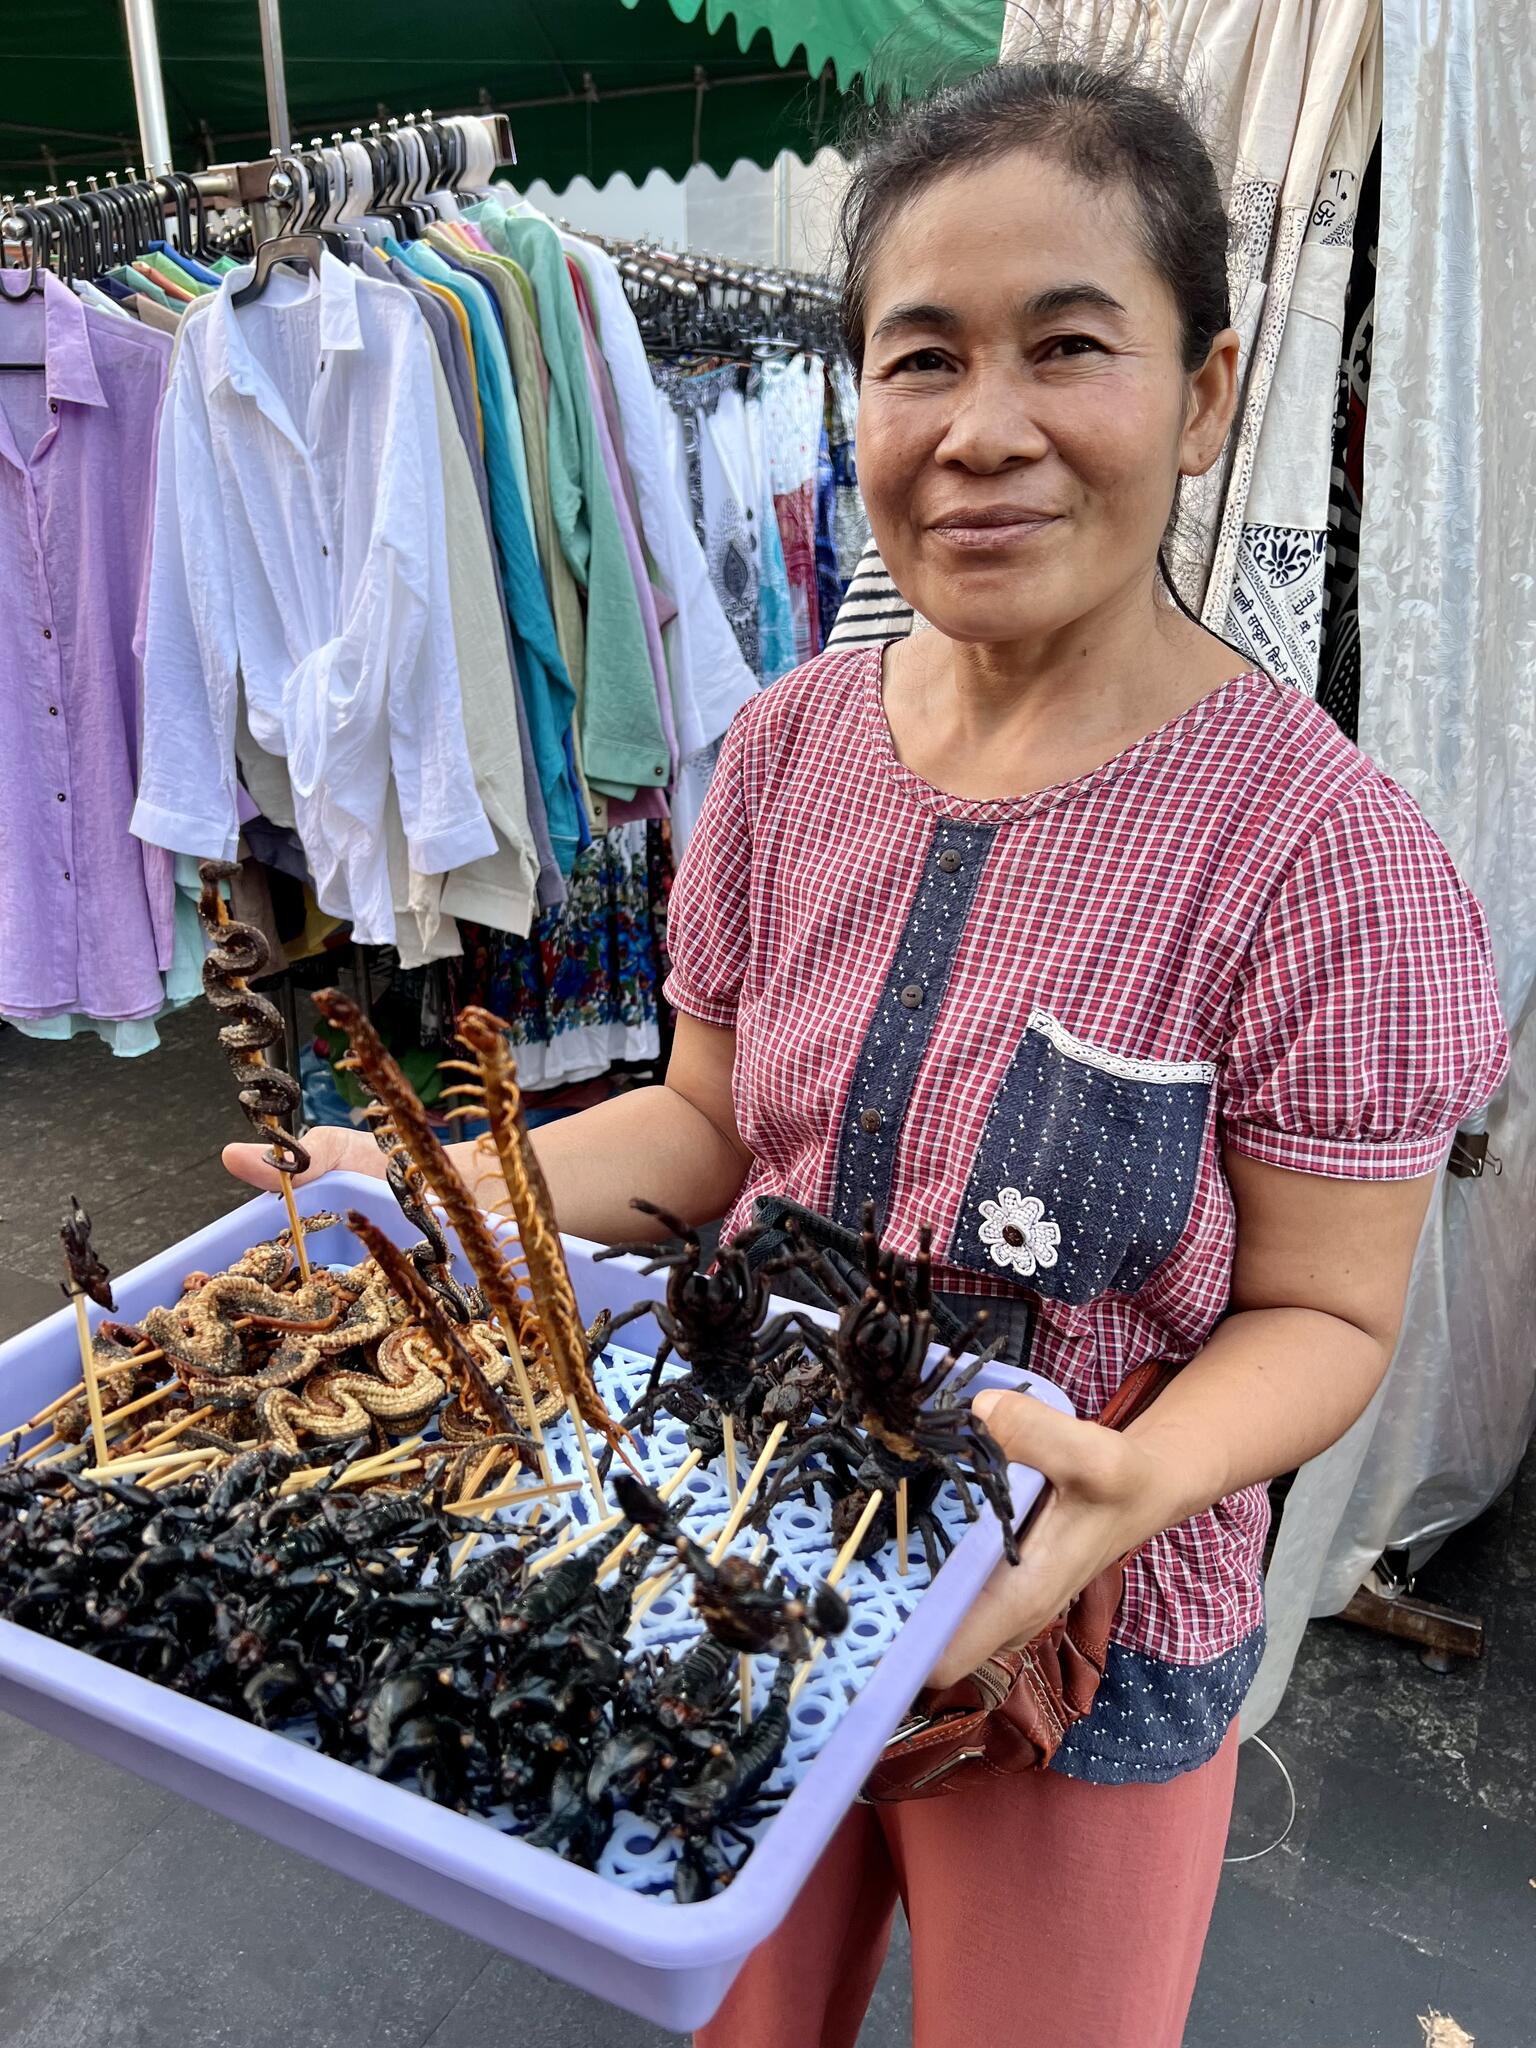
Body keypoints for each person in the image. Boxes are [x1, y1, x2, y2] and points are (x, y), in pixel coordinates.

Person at [228, 59, 1508, 2048]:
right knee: (738, 2018)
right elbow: (707, 1124)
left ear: (1206, 394)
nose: (981, 432)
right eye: (923, 360)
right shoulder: (789, 750)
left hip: (1081, 1611)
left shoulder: (1322, 861)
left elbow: (1330, 1317)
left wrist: (1126, 1483)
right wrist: (442, 1190)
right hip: (738, 1522)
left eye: (1067, 348)